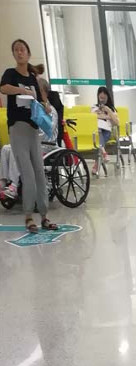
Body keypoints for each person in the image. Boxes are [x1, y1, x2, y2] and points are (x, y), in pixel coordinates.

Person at [0, 39, 57, 232]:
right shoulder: (10, 73)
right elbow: (3, 88)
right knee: (28, 174)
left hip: (33, 130)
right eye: (16, 50)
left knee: (39, 173)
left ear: (28, 53)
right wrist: (21, 90)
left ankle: (44, 216)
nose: (19, 52)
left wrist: (46, 107)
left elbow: (41, 101)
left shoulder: (33, 78)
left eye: (22, 49)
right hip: (18, 129)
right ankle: (28, 216)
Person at [91, 86, 118, 176]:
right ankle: (103, 152)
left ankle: (97, 162)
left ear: (107, 97)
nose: (102, 99)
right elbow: (93, 117)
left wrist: (108, 111)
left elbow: (116, 122)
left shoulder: (111, 109)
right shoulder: (94, 107)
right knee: (98, 132)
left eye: (104, 97)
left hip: (107, 131)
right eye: (100, 97)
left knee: (100, 135)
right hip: (96, 131)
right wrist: (107, 117)